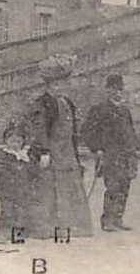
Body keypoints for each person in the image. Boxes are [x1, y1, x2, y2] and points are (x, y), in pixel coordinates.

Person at [23, 55, 94, 239]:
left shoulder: (66, 102)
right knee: (49, 191)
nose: (62, 87)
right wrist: (44, 151)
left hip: (67, 153)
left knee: (69, 190)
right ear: (49, 85)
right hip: (52, 153)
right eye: (57, 84)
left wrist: (76, 156)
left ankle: (70, 227)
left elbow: (72, 133)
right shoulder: (43, 103)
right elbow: (39, 129)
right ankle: (46, 228)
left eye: (63, 83)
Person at [81, 74, 139, 232]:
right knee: (112, 188)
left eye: (120, 89)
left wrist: (132, 152)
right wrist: (97, 148)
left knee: (124, 188)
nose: (117, 92)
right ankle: (107, 220)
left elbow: (130, 132)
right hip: (109, 155)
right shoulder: (99, 109)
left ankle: (118, 218)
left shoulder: (125, 111)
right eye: (113, 89)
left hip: (126, 156)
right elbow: (86, 131)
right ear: (107, 90)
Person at [0, 122, 37, 244]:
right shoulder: (3, 156)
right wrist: (18, 169)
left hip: (23, 190)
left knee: (22, 212)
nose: (15, 145)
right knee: (7, 212)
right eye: (12, 141)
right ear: (6, 141)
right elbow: (2, 173)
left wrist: (27, 162)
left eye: (18, 142)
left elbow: (33, 172)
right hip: (7, 190)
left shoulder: (25, 156)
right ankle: (3, 232)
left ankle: (18, 233)